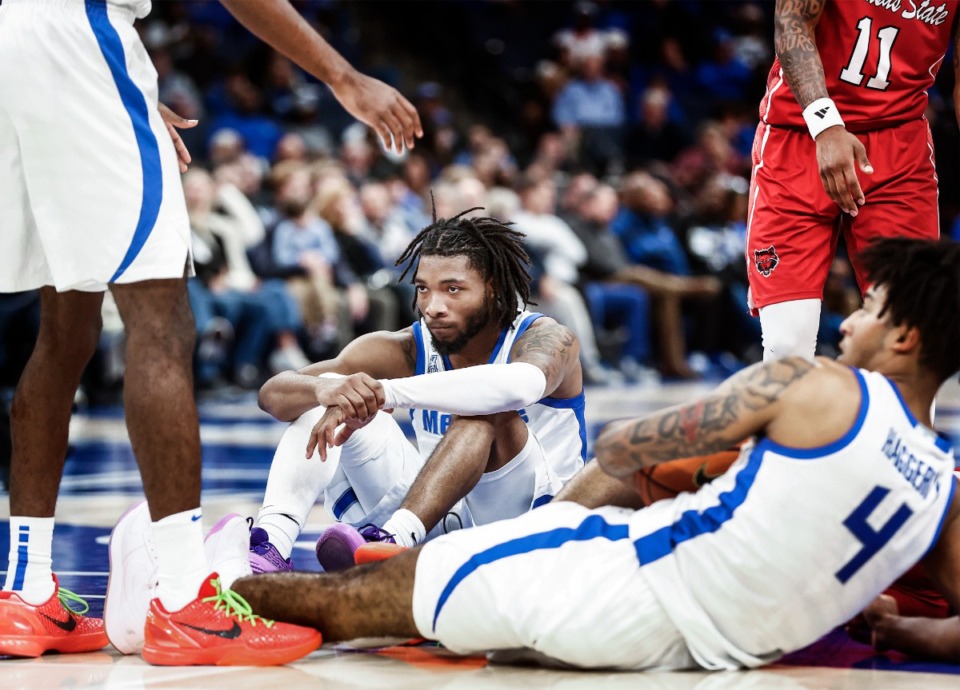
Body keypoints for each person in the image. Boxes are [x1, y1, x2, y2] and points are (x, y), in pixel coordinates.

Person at [112, 236, 959, 670]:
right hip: (701, 647)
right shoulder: (940, 487)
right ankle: (277, 532)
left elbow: (628, 445)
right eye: (426, 289)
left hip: (607, 568)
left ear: (907, 334)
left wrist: (721, 456)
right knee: (435, 600)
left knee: (349, 602)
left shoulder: (812, 383)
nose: (847, 321)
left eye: (872, 308)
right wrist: (906, 634)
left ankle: (190, 592)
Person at [0, 0, 420, 664]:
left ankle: (26, 590)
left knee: (65, 325)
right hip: (79, 34)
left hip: (14, 48)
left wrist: (117, 97)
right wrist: (345, 77)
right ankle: (183, 598)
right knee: (160, 324)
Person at [246, 209, 586, 574]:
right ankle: (273, 544)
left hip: (532, 533)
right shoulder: (409, 345)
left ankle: (393, 545)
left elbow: (518, 386)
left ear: (493, 289)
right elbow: (273, 394)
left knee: (485, 413)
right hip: (435, 516)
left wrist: (385, 393)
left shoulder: (548, 339)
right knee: (331, 393)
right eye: (424, 289)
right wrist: (327, 388)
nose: (433, 307)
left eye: (452, 289)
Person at [746, 0, 959, 361]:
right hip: (800, 133)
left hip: (898, 143)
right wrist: (826, 124)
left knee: (910, 331)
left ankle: (902, 420)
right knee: (787, 344)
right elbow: (792, 20)